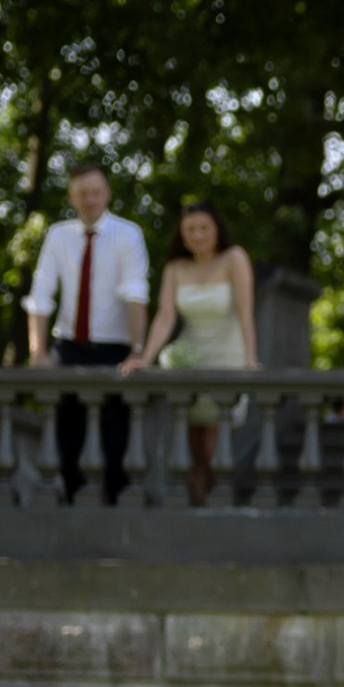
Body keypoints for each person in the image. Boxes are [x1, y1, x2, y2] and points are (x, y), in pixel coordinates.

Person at [24, 161, 150, 505]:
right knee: (67, 436)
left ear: (107, 193)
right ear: (72, 196)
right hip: (69, 348)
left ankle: (114, 510)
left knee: (116, 439)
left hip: (116, 350)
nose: (90, 199)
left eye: (96, 192)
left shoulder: (129, 234)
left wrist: (138, 351)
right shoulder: (57, 235)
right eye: (82, 193)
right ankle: (72, 507)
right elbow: (40, 295)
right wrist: (38, 352)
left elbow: (135, 294)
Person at [125, 201, 257, 504]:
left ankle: (214, 506)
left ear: (216, 230)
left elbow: (245, 312)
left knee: (213, 447)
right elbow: (165, 316)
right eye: (190, 230)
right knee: (192, 446)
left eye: (203, 228)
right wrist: (144, 357)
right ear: (182, 236)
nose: (197, 235)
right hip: (190, 357)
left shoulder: (234, 258)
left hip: (227, 355)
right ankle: (197, 507)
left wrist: (251, 358)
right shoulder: (175, 268)